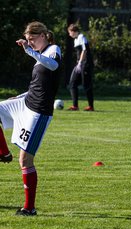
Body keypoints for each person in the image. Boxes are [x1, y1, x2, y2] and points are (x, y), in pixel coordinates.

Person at [0, 21, 61, 216]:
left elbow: (53, 65)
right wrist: (19, 96)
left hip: (38, 112)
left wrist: (30, 51)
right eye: (28, 40)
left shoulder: (53, 50)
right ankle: (3, 152)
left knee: (25, 160)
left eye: (32, 39)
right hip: (25, 104)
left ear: (43, 35)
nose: (30, 43)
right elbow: (37, 86)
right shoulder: (39, 55)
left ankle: (29, 208)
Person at [67, 23, 94, 111]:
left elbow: (84, 50)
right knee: (72, 83)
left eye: (69, 32)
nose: (69, 34)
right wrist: (78, 64)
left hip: (85, 64)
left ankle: (91, 106)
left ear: (73, 31)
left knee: (86, 85)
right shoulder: (76, 40)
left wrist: (80, 63)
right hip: (79, 64)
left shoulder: (81, 37)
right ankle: (75, 106)